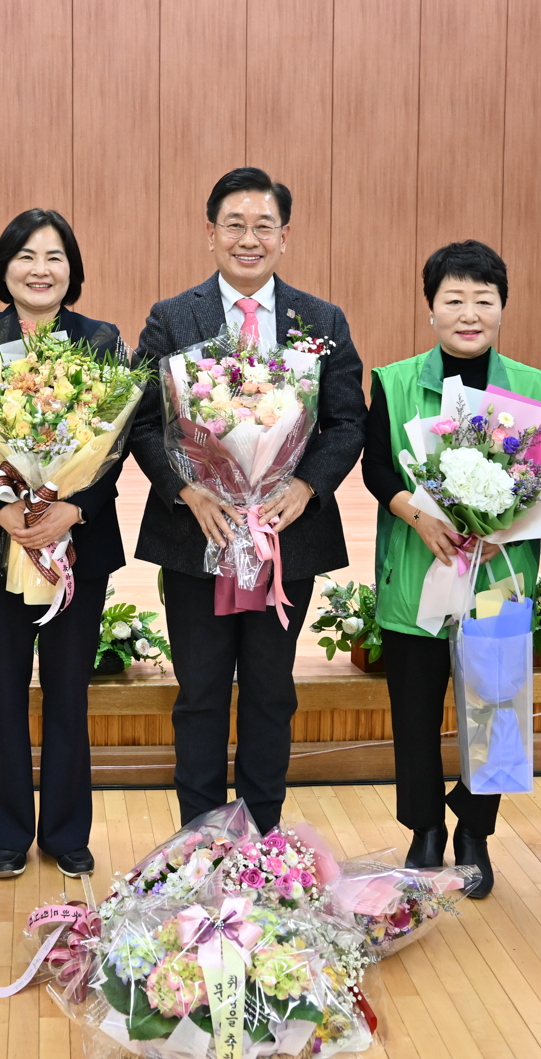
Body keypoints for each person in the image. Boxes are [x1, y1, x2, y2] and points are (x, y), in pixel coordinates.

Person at [127, 167, 365, 831]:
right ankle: (200, 840)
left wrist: (306, 483)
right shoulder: (173, 318)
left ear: (285, 237)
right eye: (235, 224)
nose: (249, 237)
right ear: (211, 233)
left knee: (271, 692)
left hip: (287, 539)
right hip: (195, 536)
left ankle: (261, 836)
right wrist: (185, 488)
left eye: (264, 226)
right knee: (200, 693)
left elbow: (348, 419)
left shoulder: (322, 321)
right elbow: (144, 420)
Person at [361, 240, 541, 898]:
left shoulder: (536, 387)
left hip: (499, 571)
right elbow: (378, 467)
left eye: (484, 299)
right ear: (430, 308)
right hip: (419, 568)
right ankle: (424, 828)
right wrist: (418, 514)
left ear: (502, 307)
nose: (469, 312)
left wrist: (504, 519)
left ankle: (474, 829)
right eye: (454, 299)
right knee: (414, 711)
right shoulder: (393, 380)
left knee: (496, 710)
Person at [0, 209, 125, 880]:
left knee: (69, 689)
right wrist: (0, 509)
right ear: (3, 267)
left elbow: (116, 447)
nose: (40, 268)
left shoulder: (100, 341)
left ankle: (67, 829)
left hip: (76, 545)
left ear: (73, 269)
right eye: (25, 255)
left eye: (54, 256)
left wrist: (71, 507)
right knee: (1, 689)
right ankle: (7, 831)